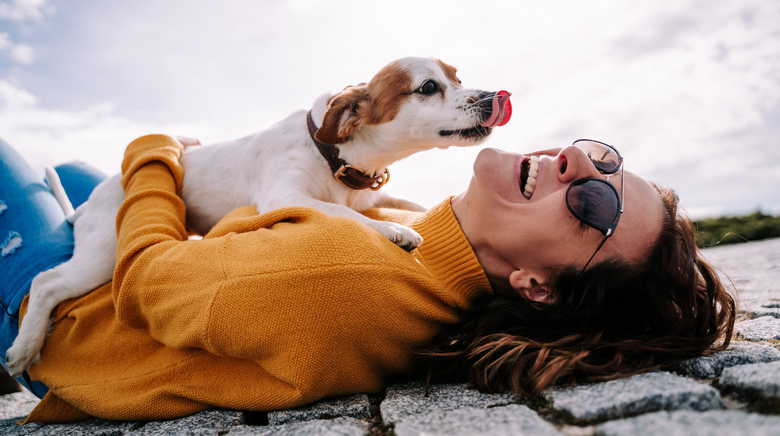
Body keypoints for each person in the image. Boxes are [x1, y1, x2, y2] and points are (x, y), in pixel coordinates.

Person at [0, 134, 735, 424]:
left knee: (20, 162)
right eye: (601, 159)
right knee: (74, 176)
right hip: (111, 285)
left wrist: (157, 152)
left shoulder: (345, 275)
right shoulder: (426, 236)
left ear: (536, 285)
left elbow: (151, 285)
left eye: (593, 204)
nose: (577, 165)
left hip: (69, 327)